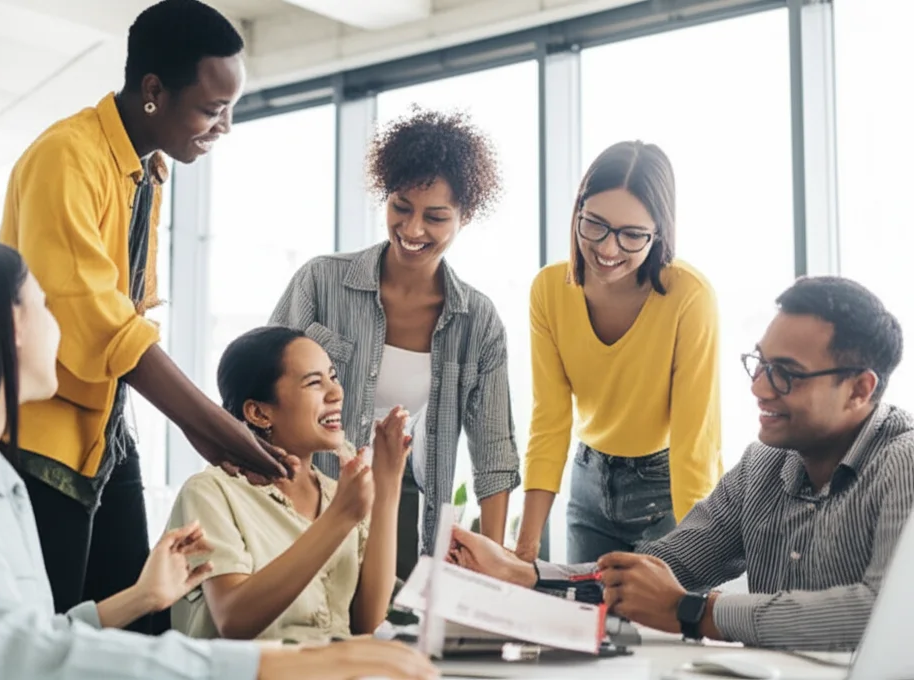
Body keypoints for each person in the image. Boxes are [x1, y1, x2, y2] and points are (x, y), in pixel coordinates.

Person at [0, 238, 438, 680]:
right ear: (11, 326)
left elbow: (35, 637)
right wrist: (274, 665)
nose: (62, 329)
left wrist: (142, 598)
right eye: (46, 307)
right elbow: (9, 658)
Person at [0, 0, 289, 635]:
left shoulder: (145, 170)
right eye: (213, 109)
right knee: (56, 636)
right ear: (153, 90)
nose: (225, 126)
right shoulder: (67, 158)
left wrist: (200, 429)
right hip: (42, 444)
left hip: (104, 433)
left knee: (143, 622)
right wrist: (211, 422)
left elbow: (128, 316)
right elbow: (95, 320)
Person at [451, 276, 911, 651]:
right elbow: (657, 571)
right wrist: (525, 575)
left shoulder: (902, 461)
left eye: (785, 374)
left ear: (860, 389)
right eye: (759, 363)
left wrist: (694, 612)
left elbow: (882, 612)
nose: (759, 389)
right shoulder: (763, 465)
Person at [270, 107, 520, 578]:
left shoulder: (478, 321)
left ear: (464, 218)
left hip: (403, 496)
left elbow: (494, 453)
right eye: (400, 207)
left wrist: (495, 570)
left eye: (436, 217)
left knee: (382, 627)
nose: (412, 229)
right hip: (307, 492)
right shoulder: (321, 282)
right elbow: (260, 390)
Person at [514, 141, 722, 564]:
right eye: (595, 225)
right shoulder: (549, 290)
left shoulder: (689, 297)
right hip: (589, 481)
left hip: (665, 490)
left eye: (632, 235)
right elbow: (550, 421)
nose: (608, 250)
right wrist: (524, 550)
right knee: (585, 624)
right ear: (577, 214)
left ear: (659, 232)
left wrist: (696, 560)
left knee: (662, 626)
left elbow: (693, 446)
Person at [167, 327, 409, 641]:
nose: (336, 393)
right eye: (313, 383)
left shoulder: (339, 494)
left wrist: (388, 482)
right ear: (259, 413)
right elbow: (233, 619)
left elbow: (368, 623)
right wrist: (339, 518)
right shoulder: (211, 492)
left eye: (333, 377)